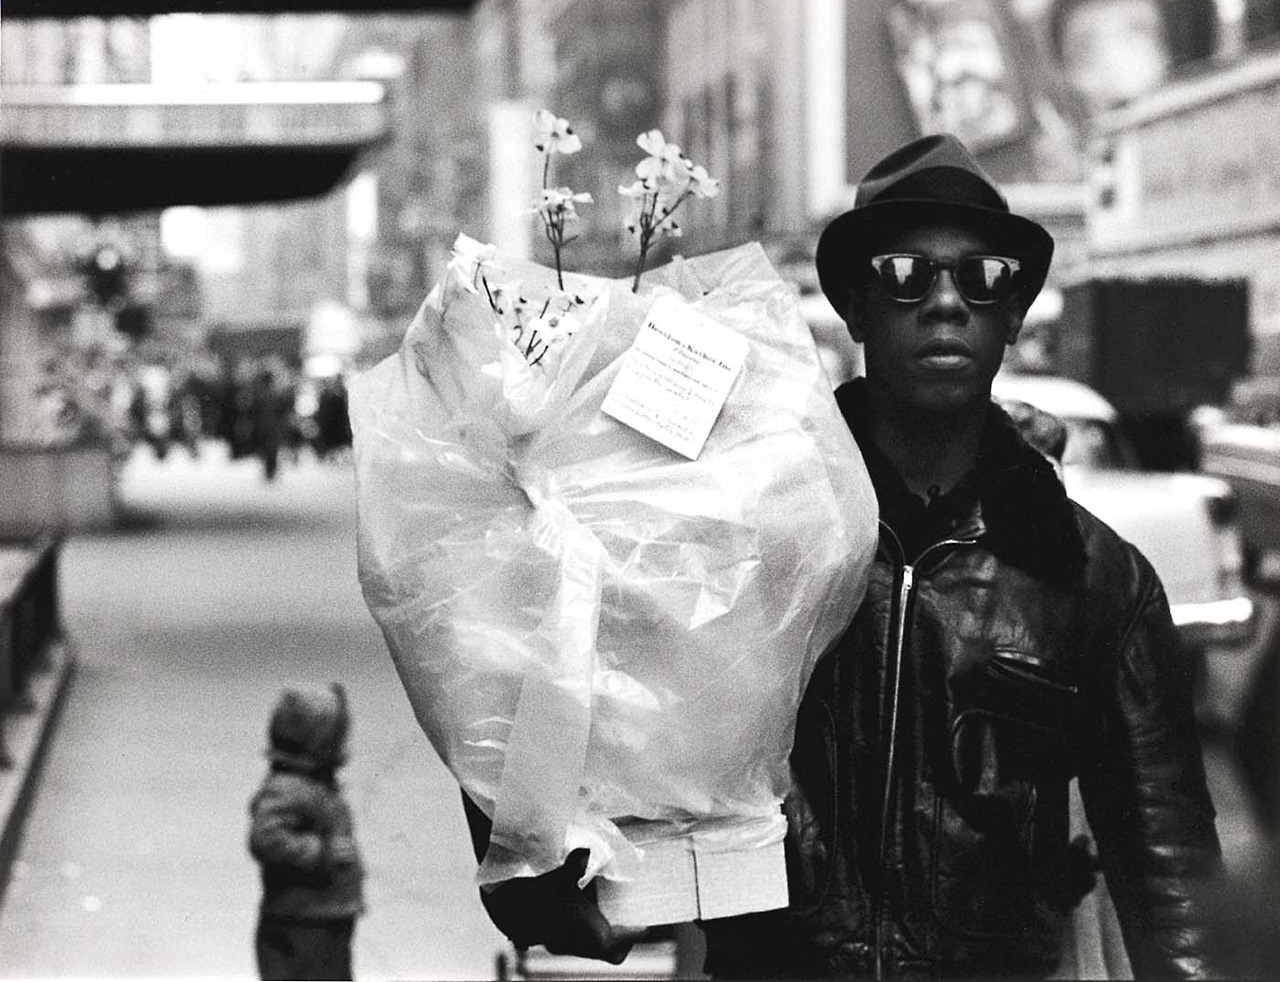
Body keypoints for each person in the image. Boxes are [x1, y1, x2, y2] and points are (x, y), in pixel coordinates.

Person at [466, 134, 1223, 977]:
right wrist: (538, 881)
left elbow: (1174, 876)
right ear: (858, 309)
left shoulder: (1094, 579)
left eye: (984, 277)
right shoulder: (739, 529)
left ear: (1012, 318)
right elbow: (538, 692)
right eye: (906, 273)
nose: (946, 301)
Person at [248, 683, 365, 981]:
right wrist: (321, 852)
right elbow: (266, 838)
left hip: (324, 917)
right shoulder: (287, 788)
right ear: (319, 742)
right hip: (301, 922)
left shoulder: (310, 785)